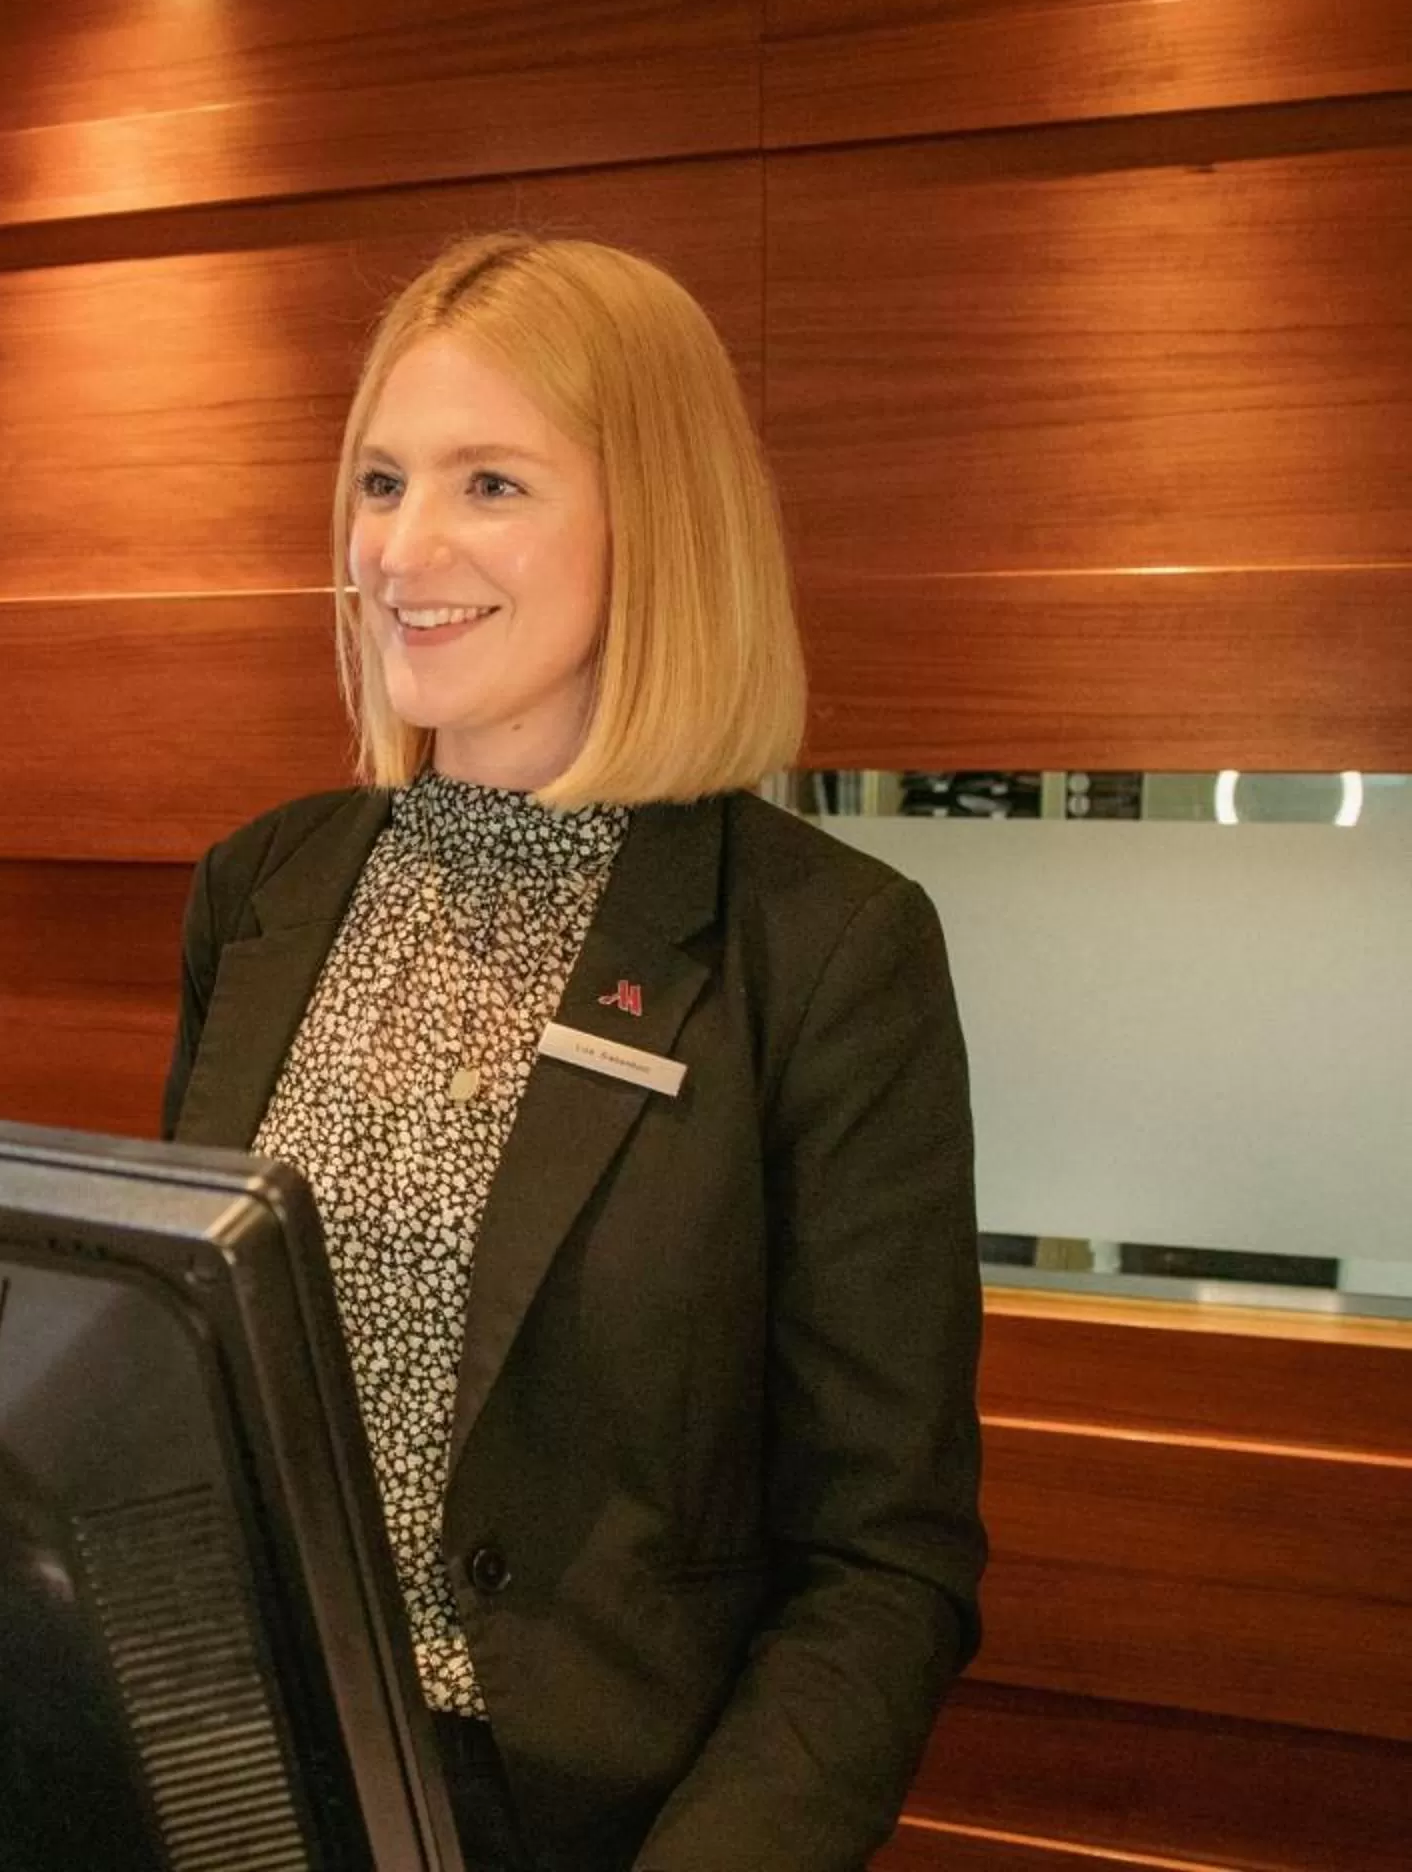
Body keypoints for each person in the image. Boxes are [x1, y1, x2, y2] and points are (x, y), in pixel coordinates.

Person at [162, 235, 983, 1870]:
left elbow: (881, 1571)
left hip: (579, 1823)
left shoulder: (824, 952)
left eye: (492, 484)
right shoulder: (266, 884)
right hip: (233, 1774)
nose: (404, 545)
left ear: (654, 522)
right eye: (383, 479)